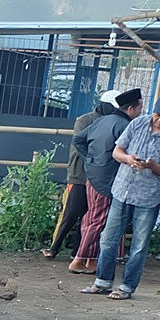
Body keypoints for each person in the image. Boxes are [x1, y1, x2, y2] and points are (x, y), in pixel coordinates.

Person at [84, 91, 160, 300]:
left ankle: (126, 287)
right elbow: (117, 151)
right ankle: (102, 281)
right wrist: (129, 159)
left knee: (139, 246)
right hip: (123, 190)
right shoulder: (137, 123)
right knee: (108, 238)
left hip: (148, 197)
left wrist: (152, 166)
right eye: (158, 114)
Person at [70, 88, 140, 274]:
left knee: (92, 217)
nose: (141, 112)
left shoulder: (102, 121)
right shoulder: (124, 126)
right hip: (107, 177)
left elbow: (78, 140)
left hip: (93, 174)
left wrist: (90, 159)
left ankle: (89, 260)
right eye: (140, 108)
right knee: (98, 219)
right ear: (131, 108)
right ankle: (79, 259)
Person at [42, 93, 105, 262]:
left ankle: (77, 252)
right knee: (71, 212)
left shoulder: (105, 121)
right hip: (79, 174)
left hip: (96, 176)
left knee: (88, 215)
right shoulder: (85, 120)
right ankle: (54, 247)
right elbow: (81, 143)